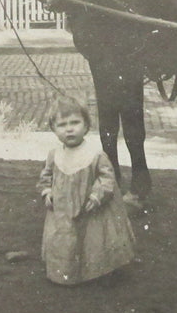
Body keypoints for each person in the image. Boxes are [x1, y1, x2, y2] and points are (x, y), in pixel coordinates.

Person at [37, 99, 135, 286]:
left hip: (90, 207)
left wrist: (97, 195)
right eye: (62, 125)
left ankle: (95, 272)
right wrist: (47, 191)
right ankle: (66, 272)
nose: (69, 129)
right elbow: (46, 175)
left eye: (75, 123)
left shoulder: (95, 154)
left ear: (86, 126)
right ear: (54, 130)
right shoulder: (55, 154)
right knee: (67, 239)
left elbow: (107, 178)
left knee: (92, 240)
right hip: (63, 210)